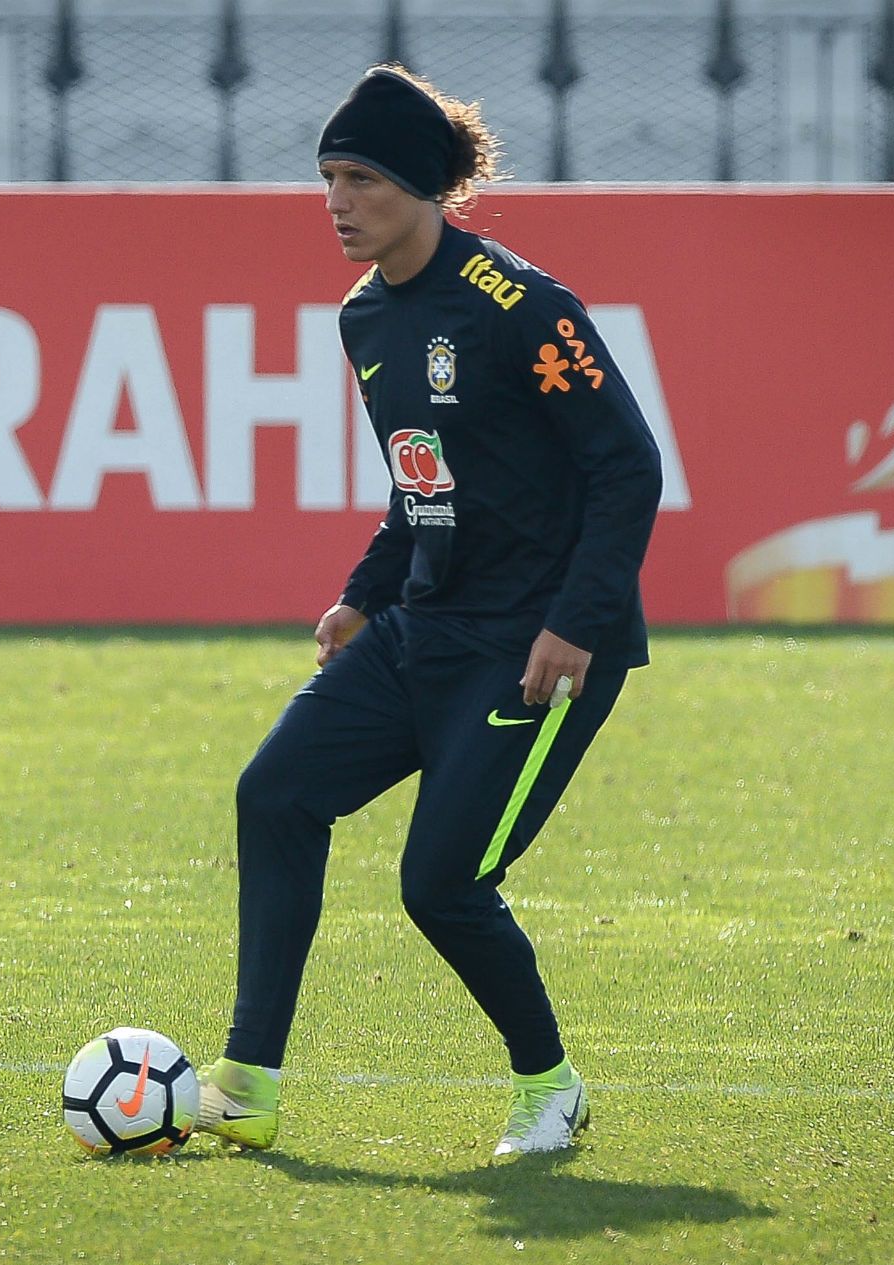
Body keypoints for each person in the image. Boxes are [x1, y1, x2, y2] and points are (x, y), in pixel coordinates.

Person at [196, 65, 664, 1159]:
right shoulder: (363, 320)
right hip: (421, 631)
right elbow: (425, 482)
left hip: (533, 652)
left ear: (415, 183)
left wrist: (576, 623)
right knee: (273, 795)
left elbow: (628, 469)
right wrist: (363, 599)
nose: (336, 199)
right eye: (326, 177)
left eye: (357, 176)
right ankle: (247, 1082)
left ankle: (549, 1087)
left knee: (443, 887)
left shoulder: (525, 309)